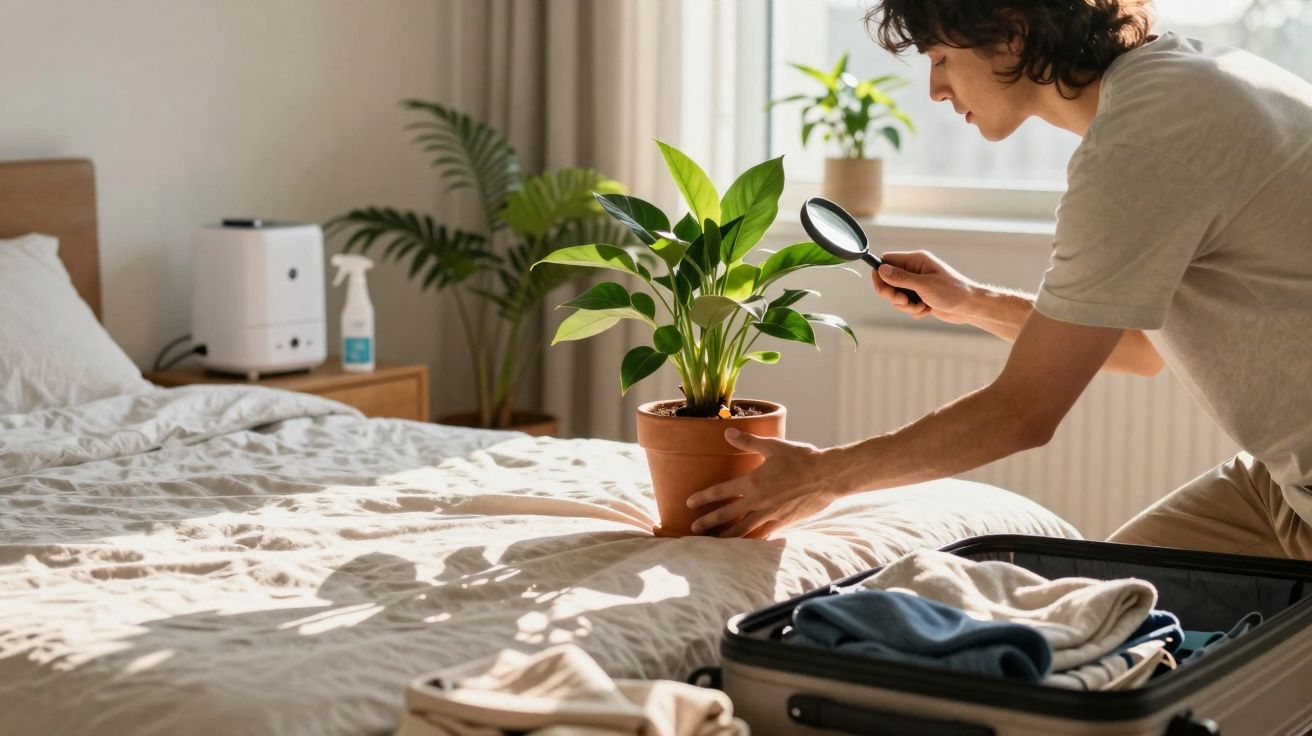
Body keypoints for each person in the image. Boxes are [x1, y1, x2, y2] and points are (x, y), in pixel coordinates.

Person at [687, 0, 1312, 559]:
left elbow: (1023, 412)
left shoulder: (1140, 148)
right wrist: (974, 303)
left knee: (1100, 642)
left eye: (939, 57)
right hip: (1282, 485)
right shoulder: (1182, 82)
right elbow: (1144, 349)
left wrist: (822, 476)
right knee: (1092, 615)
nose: (934, 89)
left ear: (1010, 33)